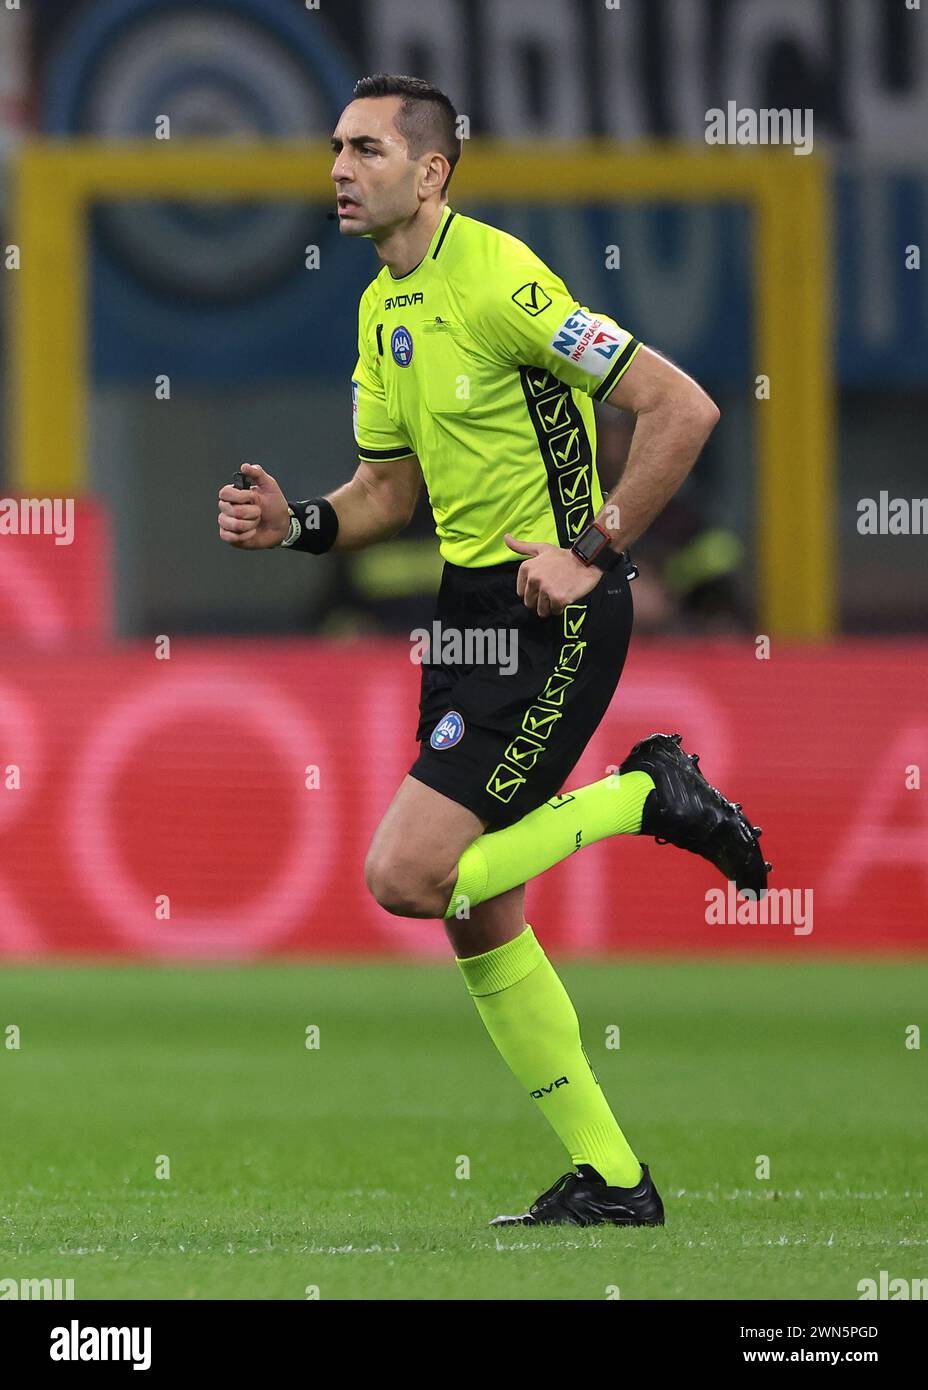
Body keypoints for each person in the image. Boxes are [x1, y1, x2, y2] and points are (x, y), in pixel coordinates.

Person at [217, 74, 770, 1228]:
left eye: (364, 149)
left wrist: (596, 547)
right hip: (465, 614)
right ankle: (614, 1180)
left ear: (431, 172)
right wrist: (300, 524)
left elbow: (682, 407)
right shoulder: (381, 308)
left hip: (552, 610)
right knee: (478, 912)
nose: (336, 168)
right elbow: (385, 490)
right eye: (333, 147)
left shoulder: (506, 281)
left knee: (405, 877)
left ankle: (643, 795)